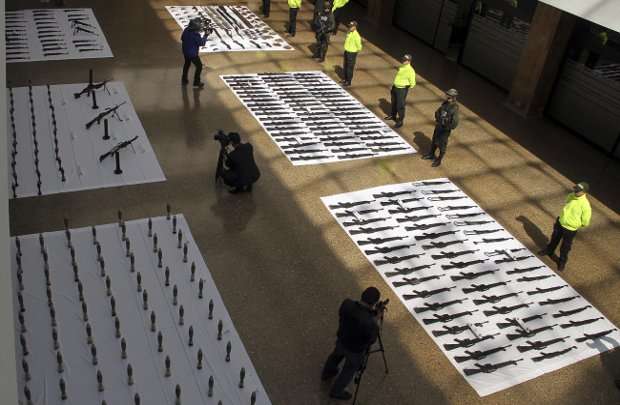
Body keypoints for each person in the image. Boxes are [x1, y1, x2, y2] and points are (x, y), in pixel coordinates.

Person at [322, 287, 381, 400]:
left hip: (342, 339)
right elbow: (371, 339)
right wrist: (375, 320)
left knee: (335, 357)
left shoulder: (347, 304)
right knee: (348, 370)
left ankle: (327, 373)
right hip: (355, 350)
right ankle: (337, 391)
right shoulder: (370, 322)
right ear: (374, 303)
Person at [538, 182, 592, 271]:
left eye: (578, 190)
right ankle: (549, 250)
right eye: (575, 189)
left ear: (584, 192)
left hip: (570, 229)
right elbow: (566, 204)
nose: (575, 191)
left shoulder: (585, 205)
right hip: (560, 223)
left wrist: (575, 224)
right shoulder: (571, 196)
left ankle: (562, 261)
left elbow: (585, 221)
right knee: (554, 238)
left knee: (565, 247)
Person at [422, 89, 460, 167]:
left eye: (449, 95)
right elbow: (438, 111)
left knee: (442, 144)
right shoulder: (445, 103)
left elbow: (455, 121)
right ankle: (431, 154)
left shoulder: (454, 107)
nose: (447, 96)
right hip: (439, 126)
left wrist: (447, 126)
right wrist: (438, 118)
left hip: (445, 129)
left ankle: (439, 160)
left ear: (453, 97)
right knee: (434, 140)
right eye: (447, 95)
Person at [385, 54, 416, 128]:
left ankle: (400, 121)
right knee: (394, 102)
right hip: (395, 87)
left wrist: (405, 87)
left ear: (409, 61)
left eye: (404, 60)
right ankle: (393, 115)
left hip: (401, 89)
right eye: (403, 59)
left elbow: (413, 83)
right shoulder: (402, 66)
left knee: (400, 105)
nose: (403, 61)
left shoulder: (410, 71)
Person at [181, 18, 209, 89]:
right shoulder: (196, 35)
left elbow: (182, 38)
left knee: (187, 64)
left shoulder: (186, 30)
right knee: (199, 66)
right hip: (192, 54)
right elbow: (202, 43)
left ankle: (184, 79)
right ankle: (196, 82)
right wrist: (206, 35)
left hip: (185, 51)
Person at [341, 21, 362, 87]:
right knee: (345, 65)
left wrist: (355, 50)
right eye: (349, 26)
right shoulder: (349, 32)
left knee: (349, 68)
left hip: (352, 53)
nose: (349, 27)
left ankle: (348, 81)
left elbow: (359, 46)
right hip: (347, 51)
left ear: (355, 27)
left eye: (351, 26)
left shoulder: (357, 36)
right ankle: (345, 79)